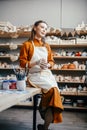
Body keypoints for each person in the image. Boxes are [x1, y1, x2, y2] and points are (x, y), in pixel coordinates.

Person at [19, 20, 64, 130]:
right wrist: (36, 62)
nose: (44, 30)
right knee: (53, 90)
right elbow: (22, 63)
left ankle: (44, 126)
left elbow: (52, 61)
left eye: (46, 28)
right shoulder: (27, 45)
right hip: (34, 75)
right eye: (42, 27)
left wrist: (48, 65)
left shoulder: (47, 46)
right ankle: (42, 109)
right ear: (35, 28)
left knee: (55, 96)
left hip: (47, 74)